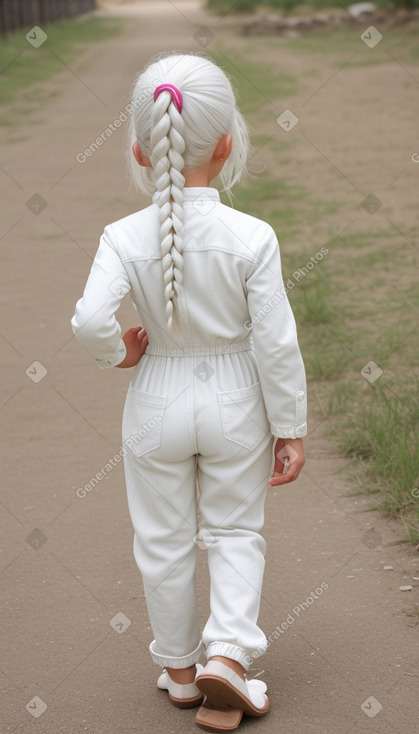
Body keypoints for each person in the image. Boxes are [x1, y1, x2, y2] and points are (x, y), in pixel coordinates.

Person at [71, 51, 307, 733]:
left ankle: (178, 672)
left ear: (142, 150)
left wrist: (121, 353)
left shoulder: (121, 237)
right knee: (234, 530)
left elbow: (88, 319)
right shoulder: (252, 237)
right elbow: (276, 342)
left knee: (162, 539)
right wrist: (288, 426)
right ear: (227, 141)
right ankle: (229, 656)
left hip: (157, 398)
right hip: (236, 398)